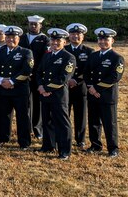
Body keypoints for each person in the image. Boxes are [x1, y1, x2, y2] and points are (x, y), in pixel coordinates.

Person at [0, 25, 34, 148]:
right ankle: (3, 138)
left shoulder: (26, 52)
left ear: (18, 39)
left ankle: (24, 142)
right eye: (8, 37)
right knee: (4, 115)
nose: (10, 40)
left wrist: (12, 82)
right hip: (2, 89)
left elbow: (27, 70)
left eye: (13, 37)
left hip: (19, 89)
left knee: (22, 116)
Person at [37, 28, 76, 159]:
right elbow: (39, 72)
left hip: (58, 96)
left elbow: (63, 78)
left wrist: (46, 89)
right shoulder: (47, 55)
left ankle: (65, 150)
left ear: (64, 42)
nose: (54, 43)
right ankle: (48, 146)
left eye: (58, 40)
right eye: (53, 40)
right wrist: (41, 86)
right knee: (47, 121)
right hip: (45, 94)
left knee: (62, 123)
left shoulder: (68, 57)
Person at [86, 27, 125, 157]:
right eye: (100, 39)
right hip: (92, 95)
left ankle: (113, 148)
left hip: (107, 96)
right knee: (93, 122)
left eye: (106, 39)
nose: (102, 42)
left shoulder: (117, 58)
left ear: (112, 40)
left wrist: (96, 89)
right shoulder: (93, 56)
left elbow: (115, 77)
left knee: (110, 123)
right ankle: (95, 145)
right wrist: (90, 87)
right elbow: (87, 73)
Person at [64, 23, 93, 150]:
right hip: (65, 88)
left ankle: (80, 139)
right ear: (68, 36)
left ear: (83, 36)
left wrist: (76, 80)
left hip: (81, 88)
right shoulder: (63, 49)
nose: (75, 36)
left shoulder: (89, 51)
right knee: (65, 114)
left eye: (78, 34)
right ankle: (64, 137)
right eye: (73, 34)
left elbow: (89, 70)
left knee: (80, 115)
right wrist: (68, 80)